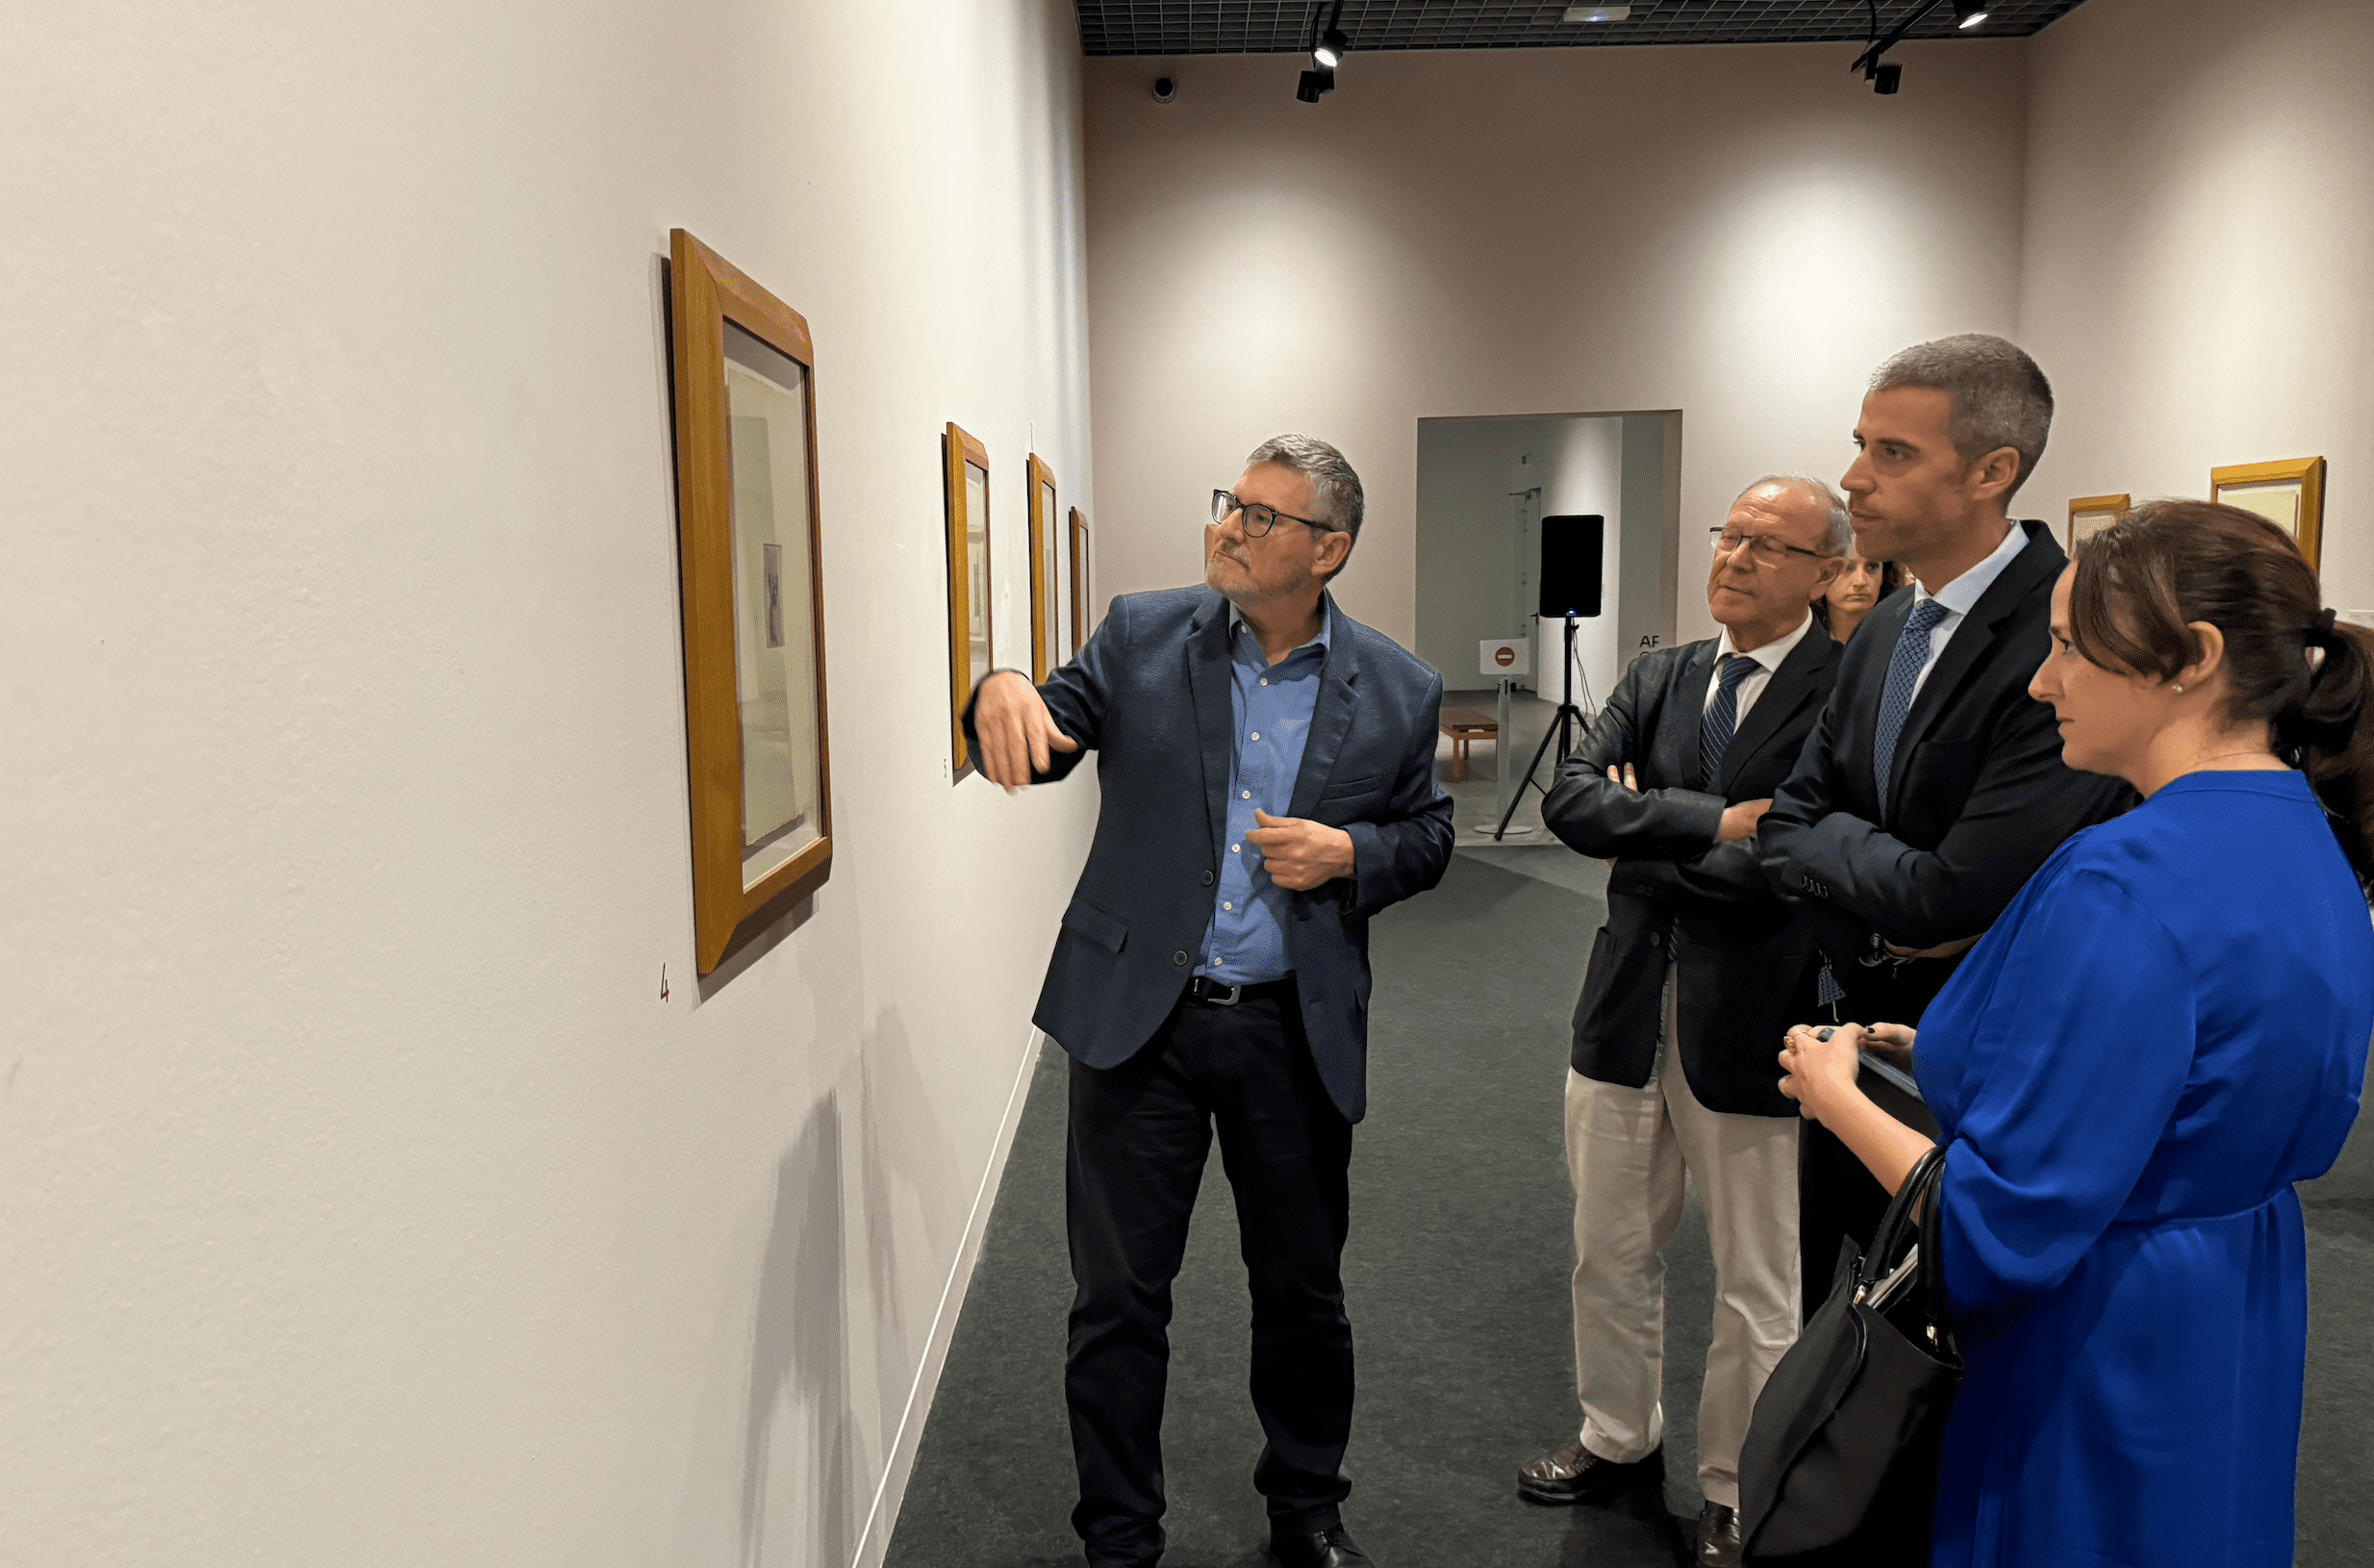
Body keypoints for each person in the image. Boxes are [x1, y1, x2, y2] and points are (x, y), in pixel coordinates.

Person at [1776, 499, 2374, 1567]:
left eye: (2067, 647)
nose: (2039, 681)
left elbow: (1994, 1227)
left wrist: (1836, 1098)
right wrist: (1963, 1052)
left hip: (2097, 1333)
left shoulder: (2124, 876)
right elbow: (2207, 1070)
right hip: (2234, 1298)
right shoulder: (2303, 834)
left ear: (2190, 660)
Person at [965, 435, 1453, 1568]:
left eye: (1261, 516)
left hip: (1290, 1028)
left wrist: (1350, 853)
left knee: (1300, 1292)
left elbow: (1428, 835)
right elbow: (1042, 736)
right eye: (1231, 503)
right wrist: (997, 689)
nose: (1227, 527)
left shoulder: (1396, 686)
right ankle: (1119, 1537)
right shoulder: (1141, 632)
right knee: (1116, 1298)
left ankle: (1305, 1510)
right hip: (1141, 1021)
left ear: (1327, 550)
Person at [1756, 334, 2133, 1314]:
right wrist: (1884, 893)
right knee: (1838, 1323)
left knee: (1951, 1344)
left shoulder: (2067, 638)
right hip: (1845, 1029)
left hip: (1986, 1065)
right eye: (1860, 445)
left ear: (1991, 471)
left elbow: (1951, 894)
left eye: (1892, 453)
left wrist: (1860, 868)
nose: (1853, 479)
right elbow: (1788, 820)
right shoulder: (1887, 622)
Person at [1524, 475, 1847, 1568]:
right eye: (1729, 535)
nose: (1735, 558)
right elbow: (1570, 801)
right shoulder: (1660, 673)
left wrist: (1644, 833)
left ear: (1825, 571)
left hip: (1755, 1020)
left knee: (1758, 1279)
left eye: (1767, 545)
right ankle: (1615, 1435)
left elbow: (1796, 860)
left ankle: (1735, 1483)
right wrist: (1713, 823)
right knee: (1607, 1248)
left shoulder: (1840, 693)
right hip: (1622, 1007)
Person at [1812, 548, 1902, 644]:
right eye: (1846, 567)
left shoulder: (1904, 641)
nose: (1860, 582)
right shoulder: (1804, 643)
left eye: (1872, 566)